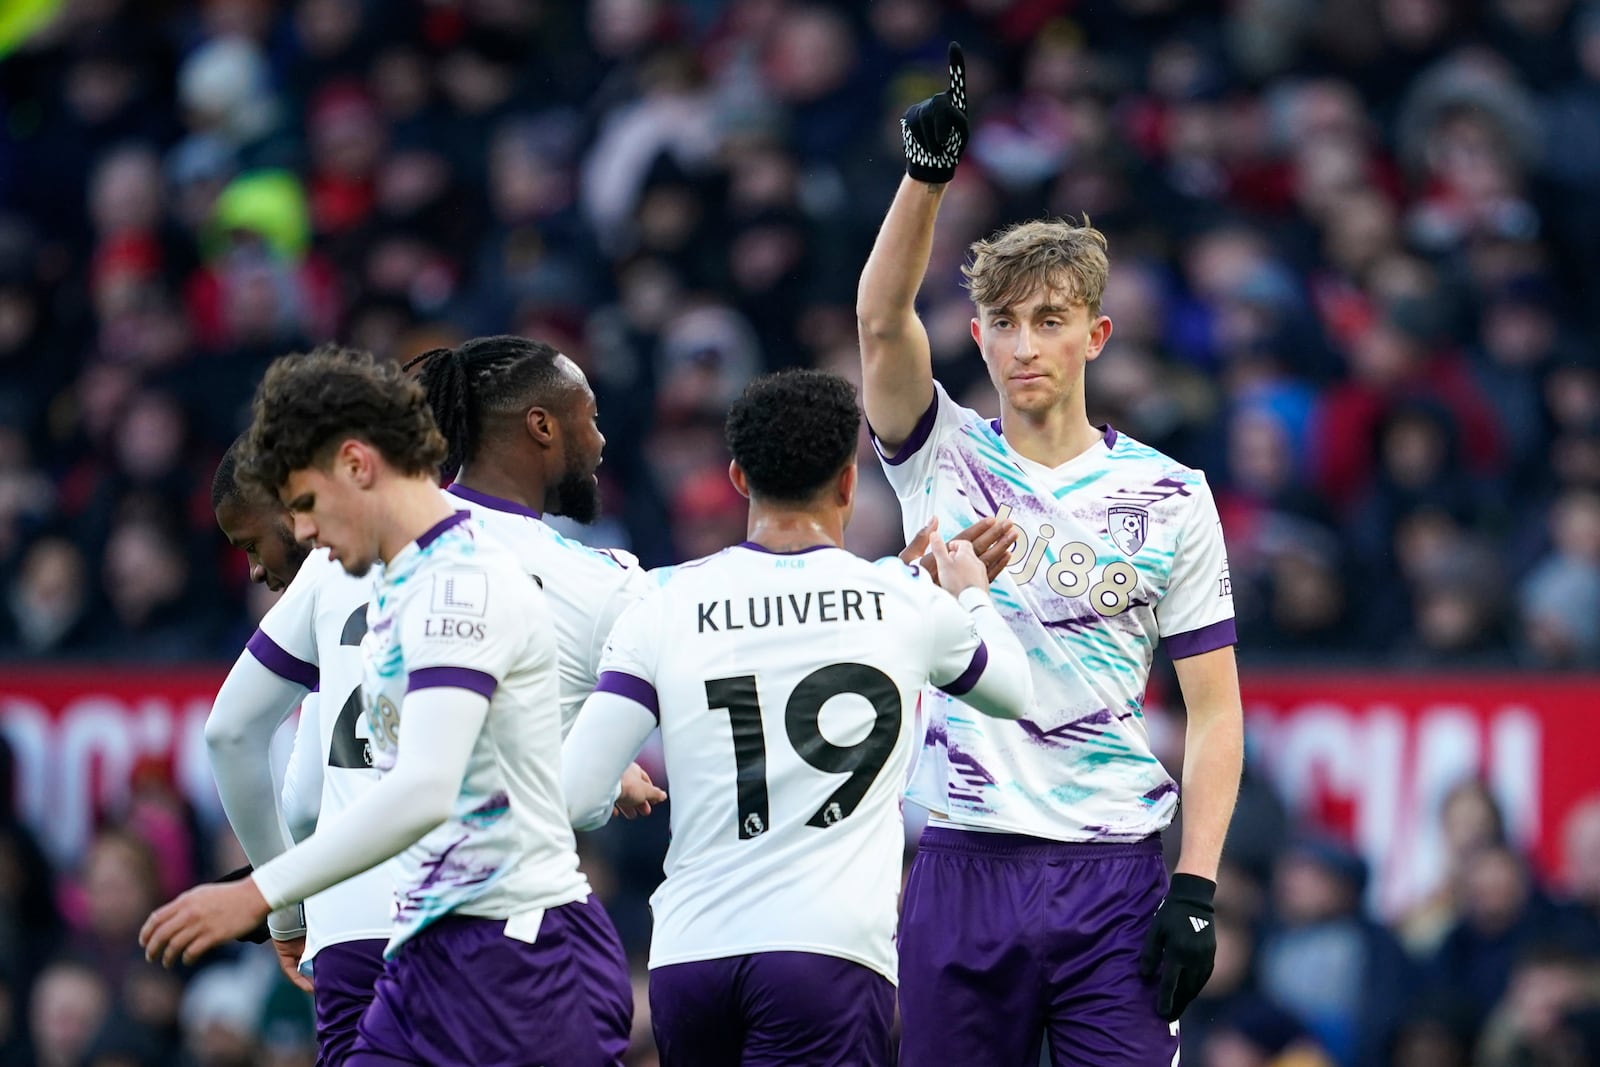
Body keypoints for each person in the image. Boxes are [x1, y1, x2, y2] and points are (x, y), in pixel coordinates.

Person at [856, 44, 1244, 1065]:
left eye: (1049, 321)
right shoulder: (935, 454)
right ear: (975, 338)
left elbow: (1214, 708)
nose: (1023, 344)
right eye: (1001, 323)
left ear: (1096, 335)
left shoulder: (1170, 496)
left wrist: (1196, 888)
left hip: (1113, 872)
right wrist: (924, 181)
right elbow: (878, 318)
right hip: (958, 861)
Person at [141, 347, 630, 1067]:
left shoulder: (461, 585)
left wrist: (263, 891)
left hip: (516, 954)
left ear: (357, 467)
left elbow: (424, 788)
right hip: (424, 946)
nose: (301, 533)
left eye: (304, 503)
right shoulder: (403, 581)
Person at [560, 369, 1035, 1067]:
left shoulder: (665, 599)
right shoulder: (903, 599)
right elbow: (1013, 691)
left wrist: (617, 787)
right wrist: (971, 594)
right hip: (829, 956)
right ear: (849, 481)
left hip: (691, 954)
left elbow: (575, 795)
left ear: (738, 477)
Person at [407, 334, 662, 1062]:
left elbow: (260, 746)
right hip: (518, 924)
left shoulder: (367, 551)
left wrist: (291, 904)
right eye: (589, 416)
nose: (602, 440)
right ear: (542, 426)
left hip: (380, 926)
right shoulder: (593, 582)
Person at [206, 431, 397, 1065]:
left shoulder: (328, 571)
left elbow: (243, 744)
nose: (256, 570)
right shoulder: (500, 549)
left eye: (251, 544)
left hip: (354, 928)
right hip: (479, 913)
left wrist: (282, 909)